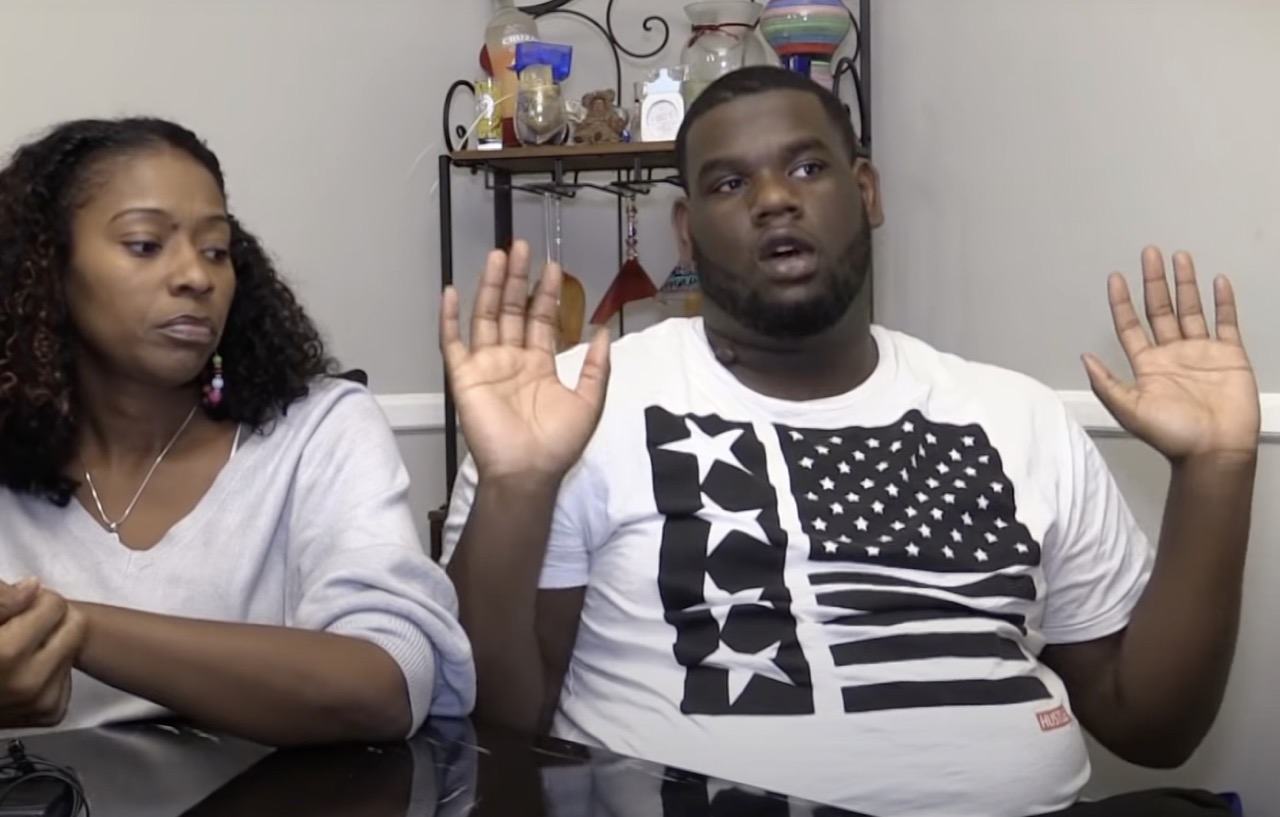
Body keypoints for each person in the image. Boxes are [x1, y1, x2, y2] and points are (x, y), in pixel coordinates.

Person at [440, 67, 1259, 817]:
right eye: (731, 182)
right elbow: (500, 721)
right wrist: (517, 485)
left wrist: (1216, 471)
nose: (773, 199)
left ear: (867, 191)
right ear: (686, 233)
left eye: (807, 167)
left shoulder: (1018, 414)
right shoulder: (579, 404)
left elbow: (1153, 727)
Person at [0, 116, 474, 745]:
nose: (196, 276)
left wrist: (72, 629)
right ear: (47, 267)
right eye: (145, 243)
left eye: (216, 249)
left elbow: (385, 685)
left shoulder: (318, 431)